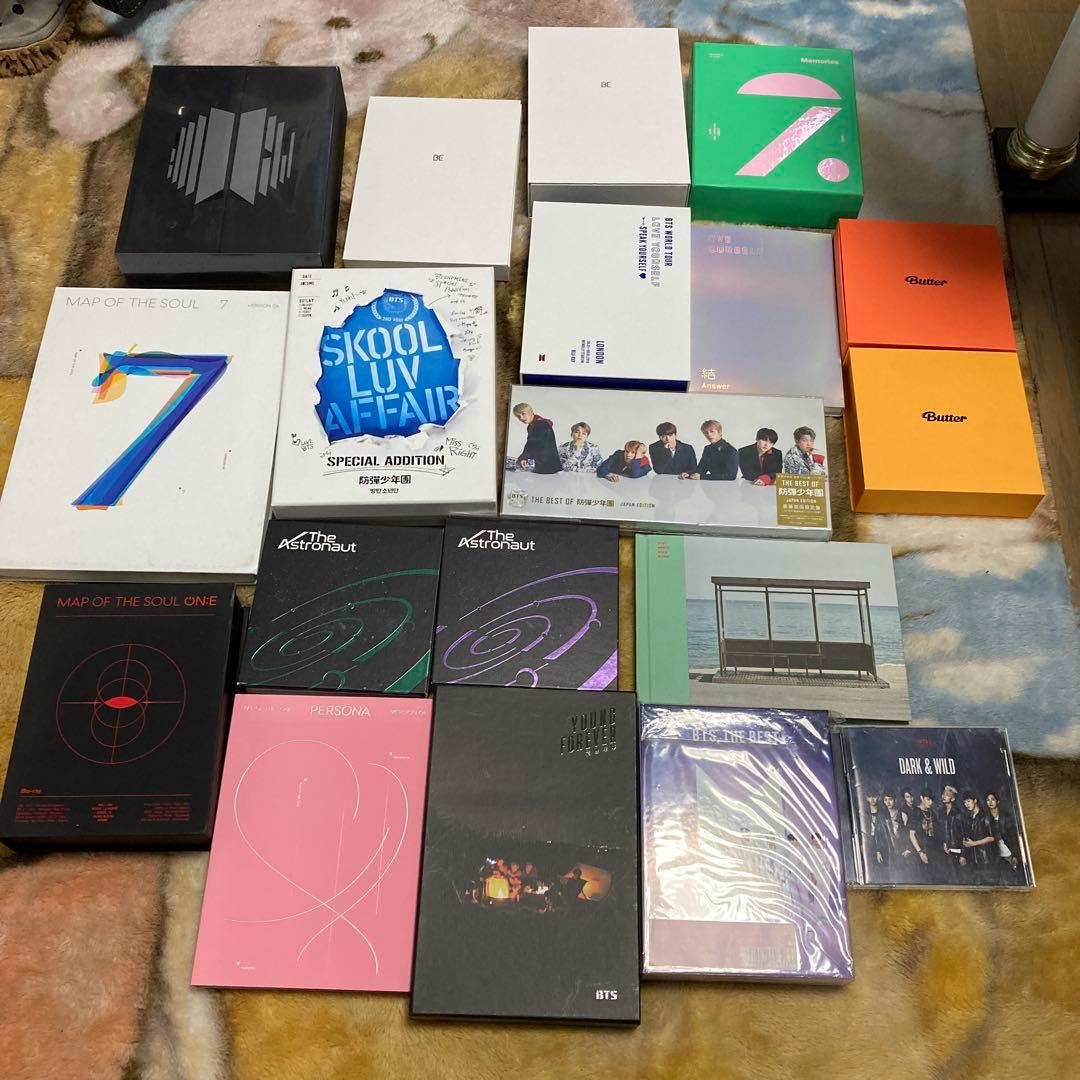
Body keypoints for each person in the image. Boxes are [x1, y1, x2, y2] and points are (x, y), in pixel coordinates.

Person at [512, 402, 562, 474]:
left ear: (531, 412)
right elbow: (530, 444)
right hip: (541, 463)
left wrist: (524, 458)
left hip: (546, 466)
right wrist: (523, 457)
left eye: (523, 414)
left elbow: (534, 445)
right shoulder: (532, 425)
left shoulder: (541, 424)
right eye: (518, 416)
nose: (521, 418)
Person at [985, 791, 1023, 881]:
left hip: (1008, 852)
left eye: (993, 799)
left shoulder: (1006, 816)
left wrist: (1015, 855)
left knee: (1016, 877)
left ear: (997, 801)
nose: (990, 802)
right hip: (996, 854)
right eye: (988, 800)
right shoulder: (986, 818)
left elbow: (1014, 836)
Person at [961, 791, 996, 879]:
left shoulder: (986, 816)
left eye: (968, 801)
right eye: (964, 802)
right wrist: (963, 854)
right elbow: (968, 838)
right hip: (973, 859)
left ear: (975, 800)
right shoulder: (969, 818)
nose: (966, 804)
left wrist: (974, 843)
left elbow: (992, 838)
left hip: (986, 859)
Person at [909, 790, 941, 881]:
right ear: (921, 798)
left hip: (934, 851)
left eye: (931, 800)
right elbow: (911, 835)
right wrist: (920, 852)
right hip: (922, 851)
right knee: (924, 879)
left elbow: (937, 833)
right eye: (928, 799)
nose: (930, 802)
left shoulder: (932, 812)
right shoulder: (916, 812)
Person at [940, 785, 965, 880]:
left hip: (956, 850)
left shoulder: (957, 813)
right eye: (943, 794)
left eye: (947, 795)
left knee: (957, 878)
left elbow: (964, 833)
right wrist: (944, 843)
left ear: (953, 798)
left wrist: (963, 855)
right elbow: (942, 831)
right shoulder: (941, 811)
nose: (944, 796)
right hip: (944, 850)